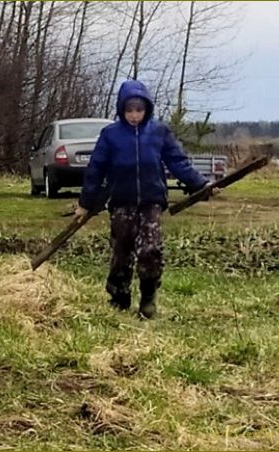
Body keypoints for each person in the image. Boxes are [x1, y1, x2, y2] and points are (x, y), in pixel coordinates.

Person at [75, 79, 213, 319]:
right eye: (129, 110)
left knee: (151, 250)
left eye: (139, 110)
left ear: (147, 109)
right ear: (122, 110)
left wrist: (200, 184)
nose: (134, 115)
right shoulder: (110, 135)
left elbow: (177, 162)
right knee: (122, 252)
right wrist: (85, 204)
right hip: (121, 203)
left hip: (151, 202)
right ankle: (119, 296)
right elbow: (95, 170)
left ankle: (148, 298)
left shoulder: (159, 132)